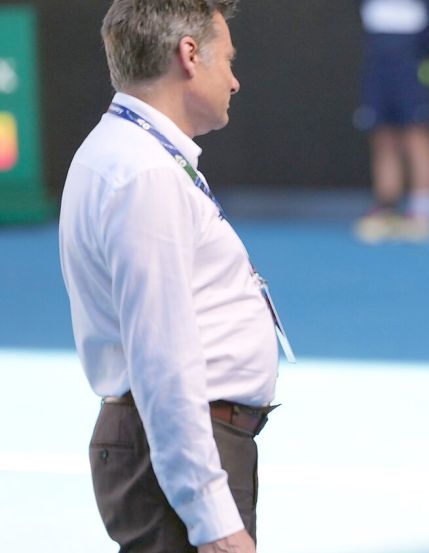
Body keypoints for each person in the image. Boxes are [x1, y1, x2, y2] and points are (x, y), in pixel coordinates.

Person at [59, 1, 289, 551]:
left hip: (173, 448)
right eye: (228, 61)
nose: (234, 81)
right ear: (189, 55)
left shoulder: (126, 155)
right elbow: (163, 357)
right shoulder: (144, 174)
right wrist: (212, 518)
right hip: (182, 454)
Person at [352, 0, 429, 243]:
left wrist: (426, 63)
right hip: (378, 67)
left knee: (417, 135)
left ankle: (424, 210)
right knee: (383, 137)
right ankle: (387, 207)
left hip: (411, 67)